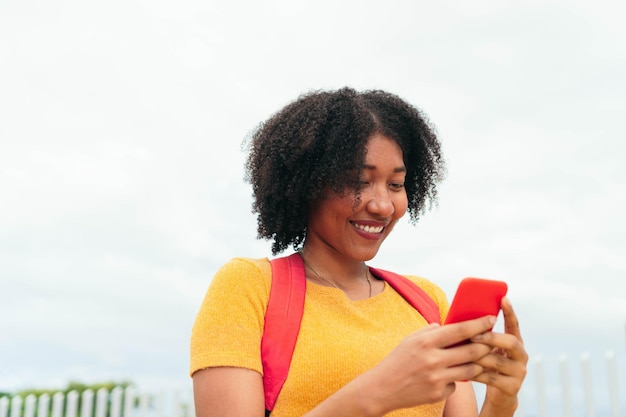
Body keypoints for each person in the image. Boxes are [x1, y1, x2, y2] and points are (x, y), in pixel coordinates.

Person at [190, 87, 528, 417]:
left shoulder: (427, 302)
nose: (382, 205)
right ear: (308, 184)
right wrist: (379, 391)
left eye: (396, 185)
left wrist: (501, 404)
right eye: (359, 181)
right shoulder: (249, 287)